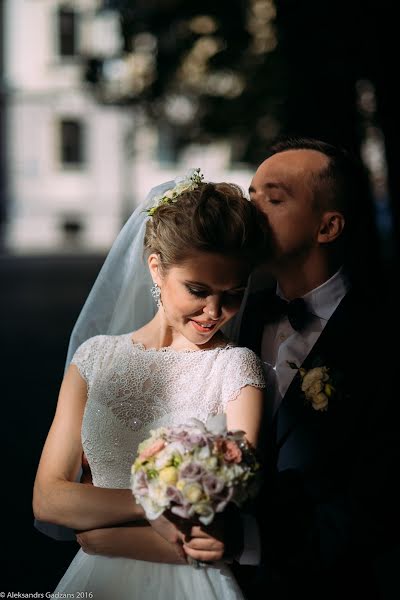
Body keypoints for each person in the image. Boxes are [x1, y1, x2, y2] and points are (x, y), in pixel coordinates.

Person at [32, 170, 269, 600]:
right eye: (197, 289)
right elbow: (49, 499)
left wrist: (105, 535)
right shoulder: (94, 359)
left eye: (233, 293)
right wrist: (151, 507)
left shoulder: (235, 368)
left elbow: (227, 516)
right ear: (156, 269)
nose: (214, 311)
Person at [220, 136, 398, 599]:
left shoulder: (382, 337)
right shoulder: (230, 316)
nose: (251, 210)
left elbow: (379, 503)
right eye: (250, 195)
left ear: (328, 227)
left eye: (274, 199)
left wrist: (250, 542)